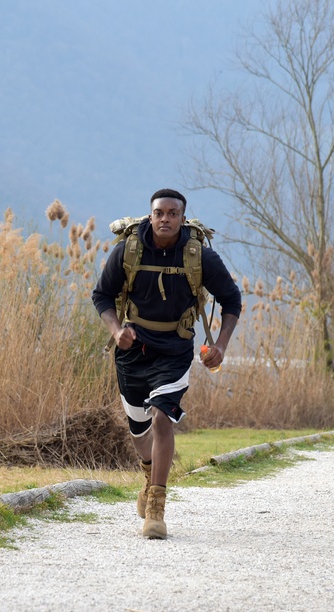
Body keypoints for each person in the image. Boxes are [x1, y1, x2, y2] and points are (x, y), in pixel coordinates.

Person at [91, 188, 241, 539]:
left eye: (173, 213)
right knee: (139, 432)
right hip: (132, 350)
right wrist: (116, 331)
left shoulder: (199, 256)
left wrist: (220, 345)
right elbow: (101, 295)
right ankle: (149, 474)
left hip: (175, 349)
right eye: (159, 213)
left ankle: (156, 508)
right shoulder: (128, 250)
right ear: (150, 215)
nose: (165, 219)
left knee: (162, 418)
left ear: (182, 219)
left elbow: (232, 300)